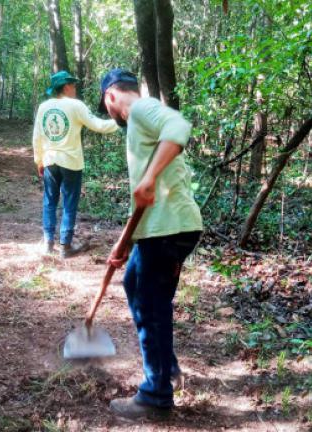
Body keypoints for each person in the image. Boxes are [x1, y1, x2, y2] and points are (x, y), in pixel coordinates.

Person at [99, 69, 203, 419]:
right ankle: (166, 367)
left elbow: (179, 126)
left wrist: (150, 175)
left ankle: (156, 395)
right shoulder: (139, 126)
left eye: (105, 105)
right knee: (135, 285)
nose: (109, 114)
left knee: (151, 305)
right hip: (157, 229)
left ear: (111, 96)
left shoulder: (141, 110)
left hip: (170, 230)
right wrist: (125, 242)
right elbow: (142, 199)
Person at [32, 71, 120, 258]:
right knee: (69, 203)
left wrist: (39, 160)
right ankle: (65, 245)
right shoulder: (75, 105)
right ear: (66, 87)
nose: (74, 88)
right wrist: (121, 120)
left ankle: (48, 243)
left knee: (49, 202)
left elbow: (37, 136)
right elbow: (98, 125)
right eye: (72, 85)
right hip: (71, 161)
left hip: (50, 160)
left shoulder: (43, 107)